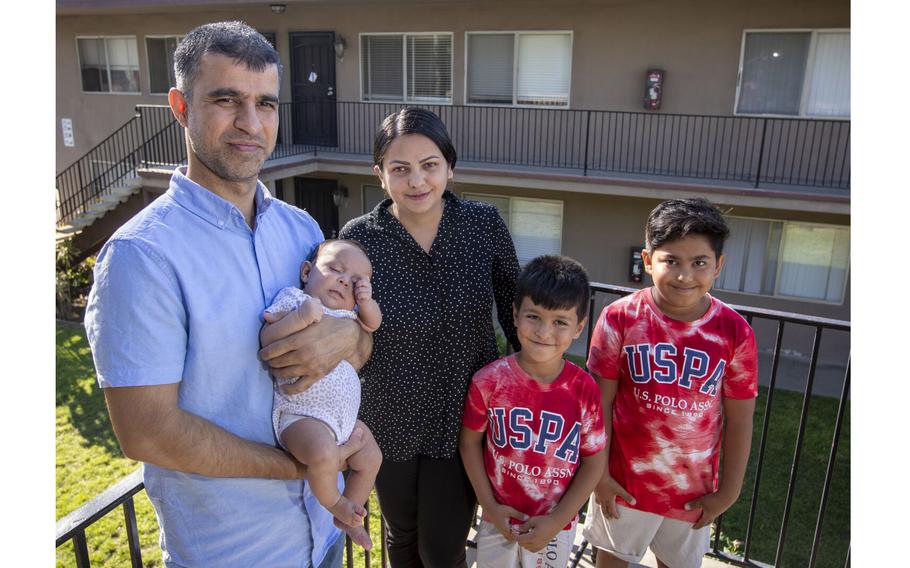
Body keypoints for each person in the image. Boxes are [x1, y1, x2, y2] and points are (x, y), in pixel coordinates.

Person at [84, 22, 371, 567]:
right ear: (180, 106)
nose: (251, 123)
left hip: (325, 539)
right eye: (226, 99)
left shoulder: (303, 230)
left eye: (266, 103)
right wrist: (300, 464)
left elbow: (356, 349)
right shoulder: (143, 256)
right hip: (235, 553)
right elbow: (149, 432)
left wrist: (349, 334)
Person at [334, 107, 521, 566]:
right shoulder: (359, 239)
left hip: (464, 418)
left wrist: (537, 389)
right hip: (387, 417)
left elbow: (516, 311)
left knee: (442, 549)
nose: (416, 181)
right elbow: (338, 326)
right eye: (400, 169)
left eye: (429, 165)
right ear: (380, 175)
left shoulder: (483, 226)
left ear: (449, 167)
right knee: (402, 537)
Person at [582, 198, 759, 568]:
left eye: (699, 263)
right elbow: (599, 407)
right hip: (624, 484)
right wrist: (599, 478)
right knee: (610, 562)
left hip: (692, 494)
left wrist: (728, 492)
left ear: (718, 266)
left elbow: (740, 418)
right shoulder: (620, 319)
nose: (684, 275)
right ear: (648, 261)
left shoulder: (735, 332)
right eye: (671, 261)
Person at [459, 255, 607, 568]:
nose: (543, 331)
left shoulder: (584, 390)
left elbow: (594, 461)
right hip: (498, 519)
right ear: (514, 314)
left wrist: (557, 521)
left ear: (578, 328)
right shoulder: (488, 382)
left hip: (556, 525)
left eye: (560, 322)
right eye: (533, 316)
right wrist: (490, 506)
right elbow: (470, 441)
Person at [266, 239, 383, 550]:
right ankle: (335, 504)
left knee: (372, 457)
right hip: (301, 415)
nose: (345, 280)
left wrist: (367, 302)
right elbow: (269, 334)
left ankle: (349, 518)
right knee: (324, 454)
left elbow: (374, 323)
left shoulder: (352, 316)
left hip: (341, 422)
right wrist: (303, 316)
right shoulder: (295, 299)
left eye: (357, 282)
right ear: (307, 271)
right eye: (335, 270)